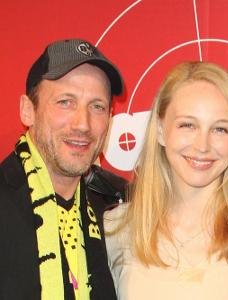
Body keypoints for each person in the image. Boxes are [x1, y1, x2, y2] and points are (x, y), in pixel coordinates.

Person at [105, 61, 228, 299]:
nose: (202, 146)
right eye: (187, 125)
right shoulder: (117, 227)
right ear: (160, 130)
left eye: (220, 129)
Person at [0, 39, 127, 300]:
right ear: (27, 110)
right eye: (65, 102)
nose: (83, 124)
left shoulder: (119, 206)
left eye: (97, 106)